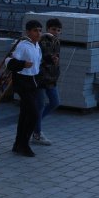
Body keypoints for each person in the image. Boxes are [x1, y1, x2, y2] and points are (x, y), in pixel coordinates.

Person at [6, 20, 43, 158]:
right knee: (33, 114)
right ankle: (24, 144)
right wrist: (22, 64)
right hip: (22, 82)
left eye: (40, 30)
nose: (38, 33)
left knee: (25, 113)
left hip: (33, 82)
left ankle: (18, 144)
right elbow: (9, 62)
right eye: (35, 30)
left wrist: (51, 60)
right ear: (28, 32)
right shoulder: (23, 45)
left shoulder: (37, 45)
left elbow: (37, 63)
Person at [32, 18, 63, 147]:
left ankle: (33, 124)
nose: (56, 32)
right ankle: (37, 133)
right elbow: (44, 56)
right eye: (53, 29)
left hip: (51, 77)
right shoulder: (43, 39)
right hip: (40, 77)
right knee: (40, 105)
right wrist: (51, 60)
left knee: (55, 102)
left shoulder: (56, 41)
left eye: (58, 30)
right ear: (48, 29)